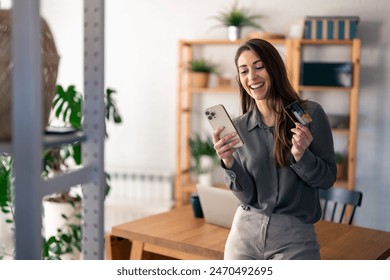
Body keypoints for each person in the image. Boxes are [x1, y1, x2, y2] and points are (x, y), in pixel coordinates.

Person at [212, 38, 337, 260]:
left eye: (259, 67)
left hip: (295, 236)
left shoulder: (311, 114)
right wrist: (229, 163)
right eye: (244, 71)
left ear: (275, 68)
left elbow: (327, 179)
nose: (252, 77)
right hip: (244, 234)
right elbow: (248, 197)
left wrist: (301, 156)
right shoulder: (238, 127)